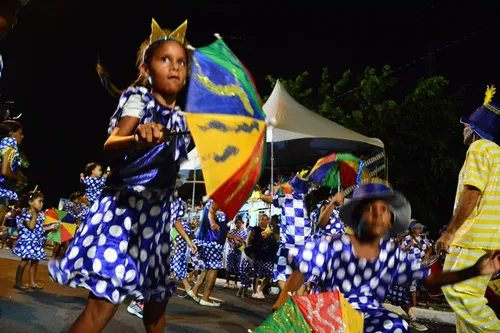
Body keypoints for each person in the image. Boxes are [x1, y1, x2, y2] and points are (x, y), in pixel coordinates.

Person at [48, 18, 191, 333]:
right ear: (146, 68)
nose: (175, 66)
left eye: (181, 61)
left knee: (156, 307)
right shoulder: (138, 100)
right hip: (125, 216)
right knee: (101, 309)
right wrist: (137, 139)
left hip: (156, 221)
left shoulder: (183, 119)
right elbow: (111, 145)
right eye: (165, 58)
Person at [273, 180, 500, 333]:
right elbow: (301, 272)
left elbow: (430, 280)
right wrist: (282, 305)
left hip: (370, 316)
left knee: (395, 325)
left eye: (383, 210)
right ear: (356, 217)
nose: (377, 215)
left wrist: (476, 270)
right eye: (370, 209)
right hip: (328, 314)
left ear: (390, 221)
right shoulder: (333, 245)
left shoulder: (392, 255)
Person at [436, 85, 500, 332]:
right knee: (469, 297)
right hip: (488, 239)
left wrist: (450, 232)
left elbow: (472, 191)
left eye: (466, 124)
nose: (463, 128)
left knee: (458, 290)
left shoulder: (480, 148)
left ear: (475, 130)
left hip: (474, 237)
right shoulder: (496, 155)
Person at [12, 190, 55, 289]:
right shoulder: (26, 214)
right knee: (25, 261)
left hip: (36, 242)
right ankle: (18, 283)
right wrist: (34, 215)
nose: (42, 204)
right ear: (31, 203)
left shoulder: (40, 215)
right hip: (28, 242)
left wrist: (51, 226)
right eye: (40, 201)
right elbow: (31, 227)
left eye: (42, 202)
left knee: (35, 262)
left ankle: (32, 282)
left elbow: (40, 229)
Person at [0, 120, 26, 229]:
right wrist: (18, 178)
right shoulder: (10, 142)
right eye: (20, 133)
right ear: (11, 133)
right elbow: (5, 171)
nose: (23, 136)